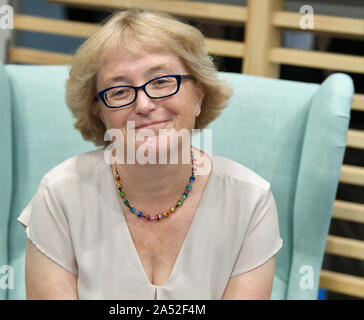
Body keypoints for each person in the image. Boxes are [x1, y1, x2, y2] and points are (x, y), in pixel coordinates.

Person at [17, 9, 283, 300]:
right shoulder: (60, 195)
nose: (143, 104)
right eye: (119, 91)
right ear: (99, 112)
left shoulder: (250, 200)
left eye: (161, 81)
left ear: (199, 95)